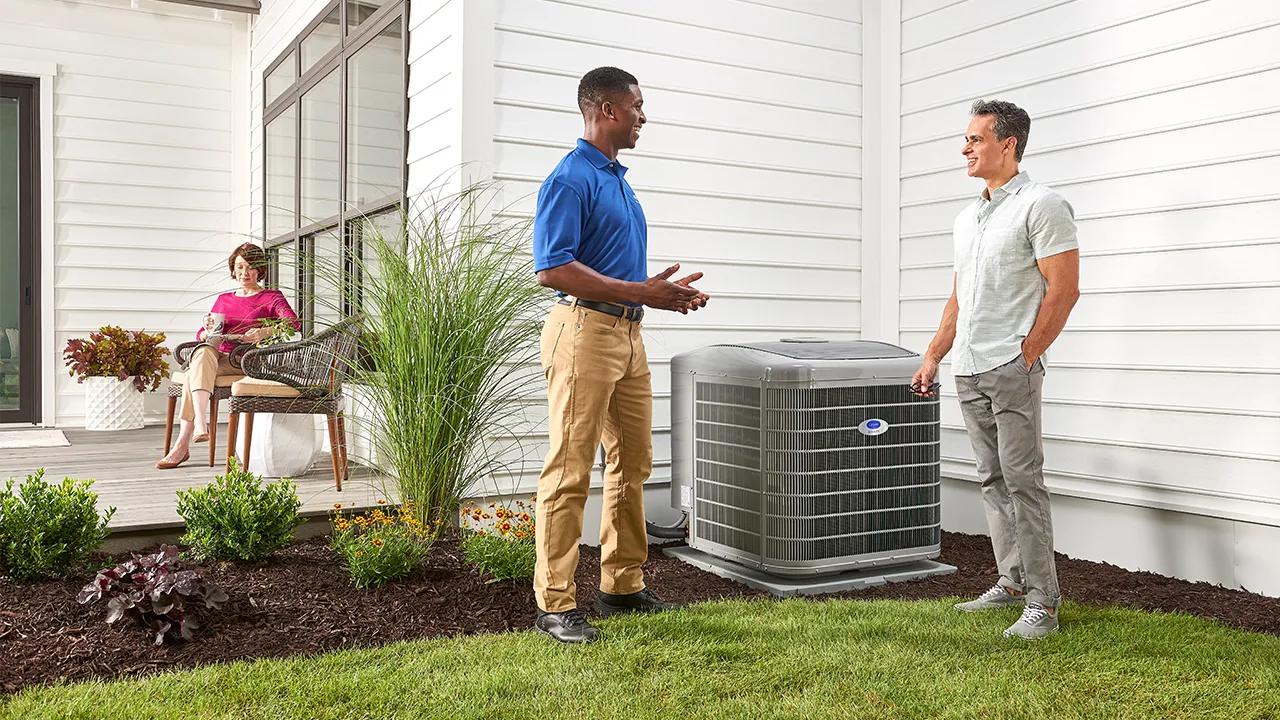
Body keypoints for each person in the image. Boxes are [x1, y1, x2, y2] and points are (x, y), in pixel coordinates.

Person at [531, 66, 709, 644]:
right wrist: (642, 292)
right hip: (582, 333)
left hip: (627, 337)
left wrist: (666, 296)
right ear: (606, 109)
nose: (643, 115)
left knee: (632, 463)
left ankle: (622, 584)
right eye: (636, 104)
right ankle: (555, 602)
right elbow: (552, 268)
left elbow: (617, 270)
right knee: (570, 469)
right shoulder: (570, 179)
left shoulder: (618, 180)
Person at [912, 99, 1080, 639]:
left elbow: (1065, 289)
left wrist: (1026, 353)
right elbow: (959, 298)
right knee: (991, 479)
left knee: (1023, 481)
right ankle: (1010, 581)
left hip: (1010, 367)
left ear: (1007, 144)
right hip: (969, 365)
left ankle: (1043, 604)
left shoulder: (1043, 204)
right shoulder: (968, 217)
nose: (965, 148)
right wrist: (935, 353)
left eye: (975, 139)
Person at [155, 242, 300, 470]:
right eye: (240, 267)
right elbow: (203, 333)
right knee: (202, 352)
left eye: (251, 267)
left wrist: (263, 332)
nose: (245, 272)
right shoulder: (224, 299)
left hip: (248, 361)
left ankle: (183, 443)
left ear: (260, 270)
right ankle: (201, 425)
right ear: (233, 268)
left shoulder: (272, 297)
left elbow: (293, 323)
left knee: (194, 372)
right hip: (220, 358)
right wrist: (206, 332)